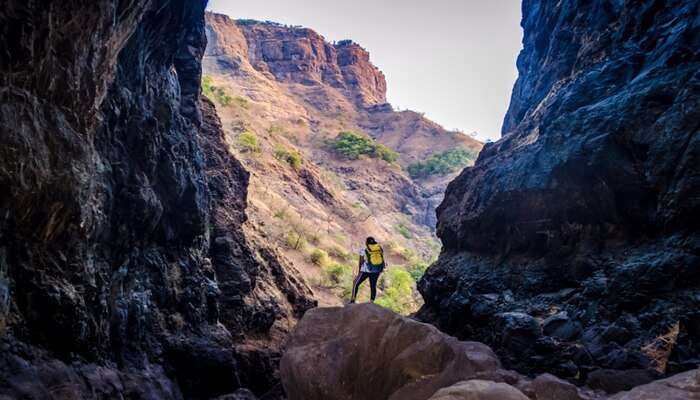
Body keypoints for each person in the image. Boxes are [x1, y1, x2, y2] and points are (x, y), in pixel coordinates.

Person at [349, 236, 386, 303]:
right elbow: (381, 259)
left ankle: (353, 300)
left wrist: (359, 271)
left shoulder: (363, 250)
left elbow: (361, 261)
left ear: (366, 242)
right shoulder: (379, 248)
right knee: (373, 285)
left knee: (356, 283)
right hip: (376, 270)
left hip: (366, 270)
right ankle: (371, 301)